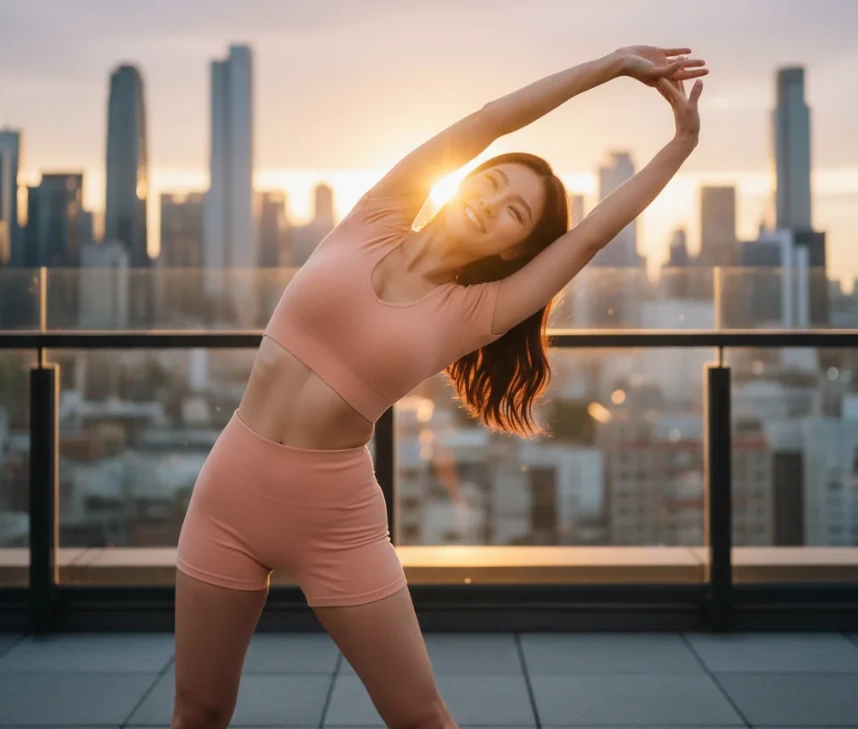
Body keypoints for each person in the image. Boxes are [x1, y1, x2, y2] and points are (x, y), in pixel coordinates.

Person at [171, 45, 707, 729]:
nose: (494, 204)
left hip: (333, 517)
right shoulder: (376, 215)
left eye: (516, 213)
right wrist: (613, 65)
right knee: (199, 708)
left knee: (419, 715)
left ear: (516, 248)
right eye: (493, 184)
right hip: (229, 490)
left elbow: (593, 234)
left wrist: (682, 144)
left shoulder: (477, 312)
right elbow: (492, 119)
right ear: (465, 179)